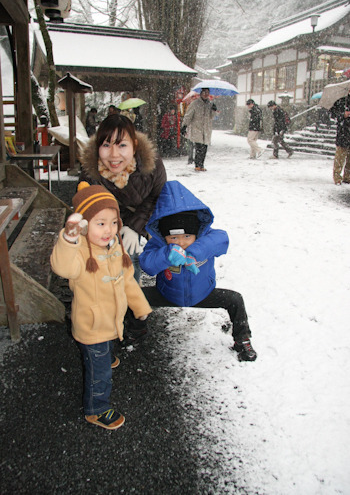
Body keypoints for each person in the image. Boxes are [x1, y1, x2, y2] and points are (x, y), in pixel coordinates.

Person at [50, 183, 152, 430]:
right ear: (83, 226)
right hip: (92, 324)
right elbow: (61, 267)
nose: (109, 230)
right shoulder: (80, 254)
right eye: (100, 223)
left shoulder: (114, 247)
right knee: (100, 373)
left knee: (103, 352)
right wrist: (69, 239)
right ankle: (96, 408)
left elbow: (127, 279)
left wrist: (140, 305)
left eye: (113, 222)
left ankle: (103, 353)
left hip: (109, 321)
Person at [139, 181, 257, 362]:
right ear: (164, 236)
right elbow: (147, 266)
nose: (181, 242)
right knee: (133, 297)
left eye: (187, 236)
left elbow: (222, 240)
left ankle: (242, 339)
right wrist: (166, 254)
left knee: (235, 300)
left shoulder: (207, 237)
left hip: (203, 293)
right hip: (167, 294)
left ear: (196, 233)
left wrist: (195, 252)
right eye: (174, 238)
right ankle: (135, 331)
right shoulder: (159, 244)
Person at [78, 113, 167, 284]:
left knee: (132, 252)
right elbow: (88, 207)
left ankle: (134, 297)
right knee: (115, 255)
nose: (114, 155)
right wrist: (110, 231)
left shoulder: (152, 164)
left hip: (144, 216)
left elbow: (157, 197)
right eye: (106, 145)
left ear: (134, 145)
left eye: (122, 145)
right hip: (108, 220)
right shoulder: (91, 171)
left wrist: (134, 227)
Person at [181, 88, 217, 171]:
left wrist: (213, 110)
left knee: (204, 147)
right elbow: (188, 115)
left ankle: (202, 165)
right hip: (197, 128)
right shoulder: (195, 104)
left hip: (206, 129)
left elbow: (211, 117)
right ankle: (197, 164)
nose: (206, 94)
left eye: (207, 93)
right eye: (204, 92)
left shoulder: (210, 104)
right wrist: (184, 125)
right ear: (201, 93)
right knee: (199, 147)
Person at [330, 90, 350, 185]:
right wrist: (343, 115)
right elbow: (333, 114)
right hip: (343, 133)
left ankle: (347, 176)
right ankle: (337, 177)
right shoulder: (341, 101)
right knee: (340, 157)